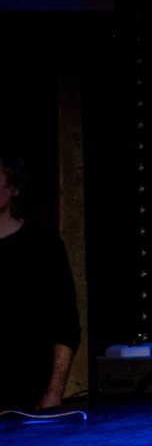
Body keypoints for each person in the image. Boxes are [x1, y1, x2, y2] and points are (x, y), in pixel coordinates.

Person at [0, 151, 81, 413]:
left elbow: (65, 326)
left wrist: (54, 391)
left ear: (14, 186)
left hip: (28, 398)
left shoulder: (43, 246)